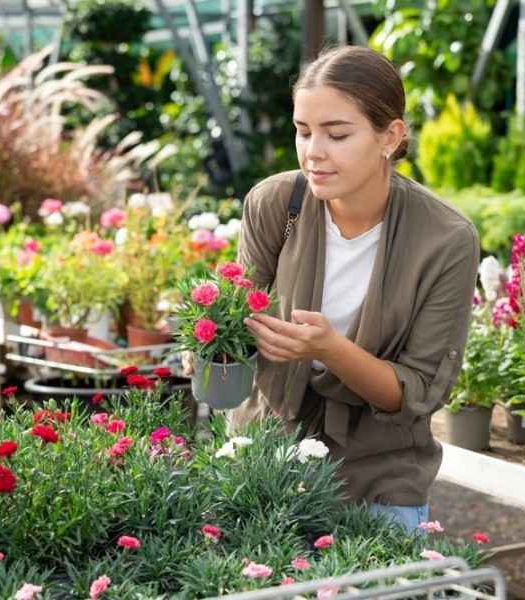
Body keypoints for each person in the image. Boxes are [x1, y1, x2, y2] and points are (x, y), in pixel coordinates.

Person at [189, 45, 479, 533]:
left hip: (378, 478)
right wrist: (209, 345)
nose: (313, 151)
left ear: (390, 136)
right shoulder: (275, 204)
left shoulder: (445, 239)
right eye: (303, 131)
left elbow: (418, 393)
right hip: (264, 463)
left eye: (337, 134)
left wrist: (329, 348)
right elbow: (235, 324)